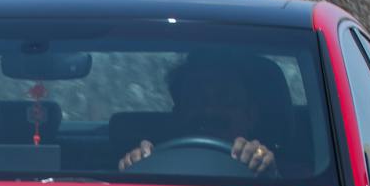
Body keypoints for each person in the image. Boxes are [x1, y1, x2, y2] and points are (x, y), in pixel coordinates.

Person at [117, 54, 285, 174]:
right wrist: (137, 168)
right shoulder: (151, 165)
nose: (209, 111)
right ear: (178, 114)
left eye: (225, 100)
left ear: (250, 115)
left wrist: (268, 171)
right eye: (195, 100)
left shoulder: (301, 177)